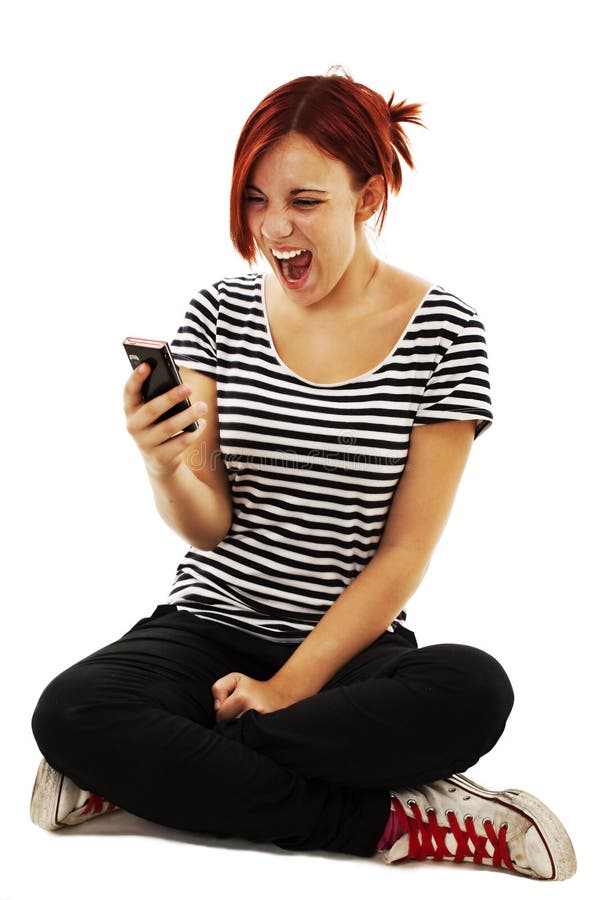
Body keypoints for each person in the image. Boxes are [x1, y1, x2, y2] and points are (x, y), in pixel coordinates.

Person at [30, 71, 576, 880]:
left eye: (304, 201)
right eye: (255, 199)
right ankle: (391, 820)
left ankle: (158, 773)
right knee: (70, 712)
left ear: (368, 195)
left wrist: (288, 686)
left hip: (349, 651)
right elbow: (207, 522)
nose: (273, 227)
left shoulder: (446, 332)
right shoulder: (218, 312)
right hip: (210, 625)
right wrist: (160, 463)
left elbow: (403, 555)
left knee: (474, 688)